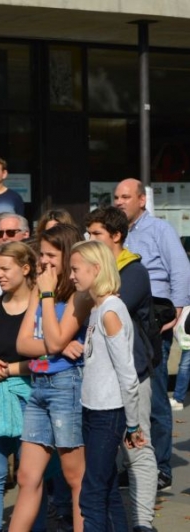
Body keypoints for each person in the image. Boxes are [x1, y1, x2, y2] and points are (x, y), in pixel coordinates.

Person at [9, 224, 91, 532]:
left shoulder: (78, 294)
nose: (43, 261)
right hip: (39, 385)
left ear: (67, 255)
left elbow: (53, 342)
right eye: (41, 254)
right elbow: (22, 343)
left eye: (51, 255)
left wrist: (46, 295)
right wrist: (56, 344)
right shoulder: (39, 289)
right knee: (27, 476)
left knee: (74, 475)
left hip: (66, 384)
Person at [114, 177, 190, 491]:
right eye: (116, 197)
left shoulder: (160, 230)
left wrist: (177, 310)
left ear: (141, 200)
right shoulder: (118, 234)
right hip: (121, 321)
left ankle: (160, 467)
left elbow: (181, 269)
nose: (119, 202)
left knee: (155, 395)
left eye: (125, 197)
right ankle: (132, 464)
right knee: (127, 397)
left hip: (153, 320)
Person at [85, 205, 158, 531]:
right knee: (109, 459)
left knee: (137, 449)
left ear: (116, 236)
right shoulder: (96, 270)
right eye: (89, 233)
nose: (91, 238)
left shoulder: (133, 272)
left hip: (133, 373)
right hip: (102, 382)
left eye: (97, 234)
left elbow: (108, 308)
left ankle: (143, 523)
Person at [69, 240, 144, 531]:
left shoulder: (110, 311)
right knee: (108, 487)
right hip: (93, 409)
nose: (72, 276)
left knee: (92, 493)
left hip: (108, 412)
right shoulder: (97, 309)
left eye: (76, 269)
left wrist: (133, 424)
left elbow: (128, 374)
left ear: (96, 269)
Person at [0, 242, 46, 532]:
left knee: (32, 475)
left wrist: (4, 370)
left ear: (26, 269)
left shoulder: (41, 309)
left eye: (5, 269)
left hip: (31, 395)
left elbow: (46, 358)